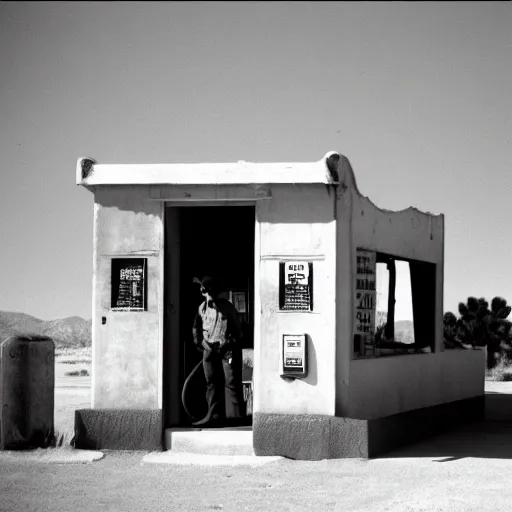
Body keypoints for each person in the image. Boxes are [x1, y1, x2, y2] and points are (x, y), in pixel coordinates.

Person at [192, 276, 245, 426]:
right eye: (207, 292)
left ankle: (236, 418)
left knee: (231, 382)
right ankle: (213, 416)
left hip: (226, 350)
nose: (210, 296)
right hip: (209, 350)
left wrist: (228, 342)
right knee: (211, 383)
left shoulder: (227, 307)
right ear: (203, 292)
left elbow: (238, 330)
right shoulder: (201, 309)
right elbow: (196, 328)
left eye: (212, 292)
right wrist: (201, 342)